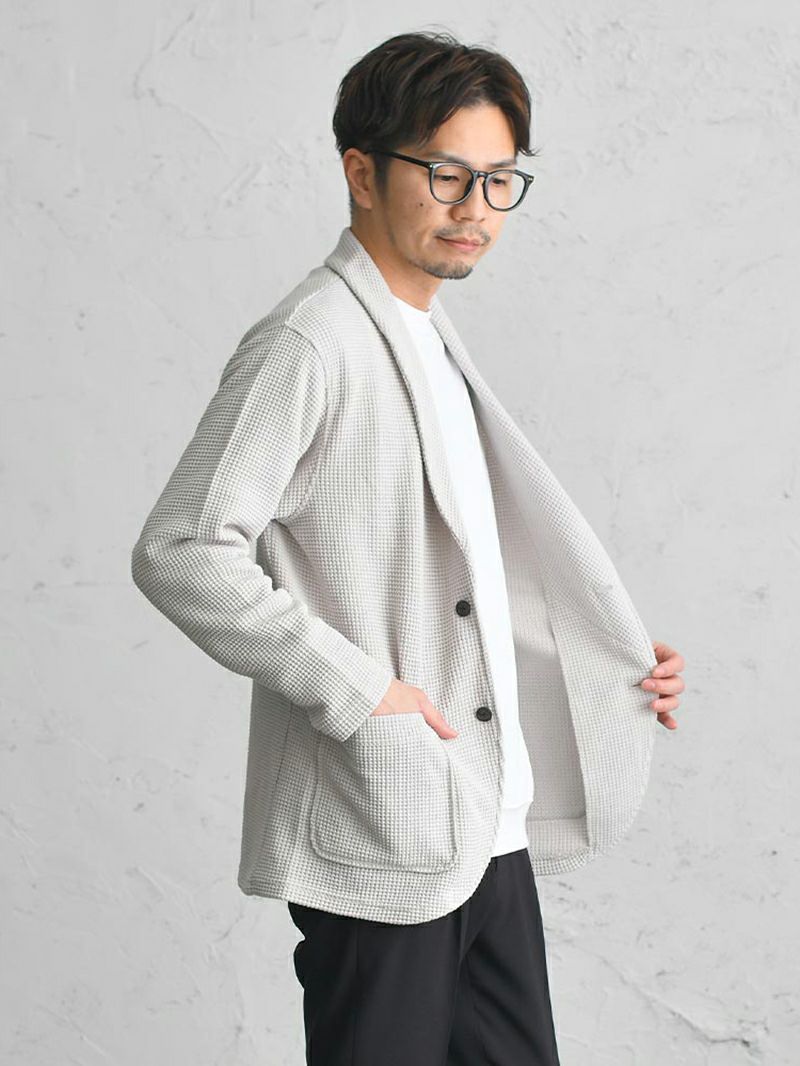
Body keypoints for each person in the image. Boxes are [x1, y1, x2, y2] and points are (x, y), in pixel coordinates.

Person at [131, 29, 685, 1066]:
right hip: (382, 827)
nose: (476, 207)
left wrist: (601, 666)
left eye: (499, 179)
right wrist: (363, 693)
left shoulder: (425, 336)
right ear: (360, 172)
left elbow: (450, 583)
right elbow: (181, 548)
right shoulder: (312, 341)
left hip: (484, 828)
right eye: (445, 174)